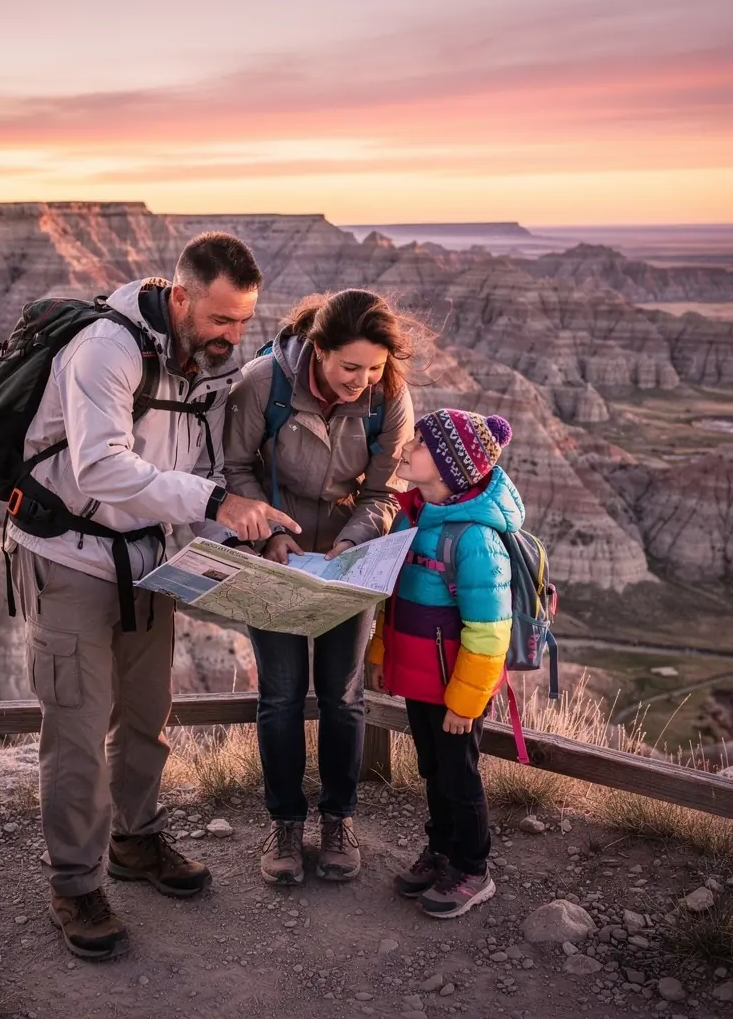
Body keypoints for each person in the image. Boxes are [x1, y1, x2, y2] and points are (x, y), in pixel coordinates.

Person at [6, 232, 300, 960]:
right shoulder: (107, 349)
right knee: (75, 730)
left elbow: (197, 474)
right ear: (180, 297)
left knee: (146, 715)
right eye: (219, 320)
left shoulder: (205, 369)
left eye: (242, 323)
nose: (232, 337)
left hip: (146, 562)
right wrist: (217, 500)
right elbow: (102, 468)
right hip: (66, 558)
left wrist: (251, 538)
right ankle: (75, 884)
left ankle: (135, 841)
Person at [223, 289, 417, 886]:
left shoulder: (390, 397)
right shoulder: (263, 383)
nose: (363, 380)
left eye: (375, 368)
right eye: (350, 367)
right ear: (318, 350)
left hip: (346, 557)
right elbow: (234, 468)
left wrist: (352, 545)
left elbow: (385, 490)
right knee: (280, 695)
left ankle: (338, 820)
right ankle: (284, 824)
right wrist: (267, 538)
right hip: (273, 554)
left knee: (343, 694)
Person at [365, 408, 523, 919]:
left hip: (455, 689)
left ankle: (473, 868)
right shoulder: (415, 517)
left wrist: (466, 700)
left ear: (450, 468)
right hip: (420, 679)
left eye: (419, 444)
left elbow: (489, 631)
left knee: (460, 774)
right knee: (432, 769)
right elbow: (397, 601)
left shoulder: (475, 539)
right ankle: (441, 851)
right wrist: (381, 653)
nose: (407, 449)